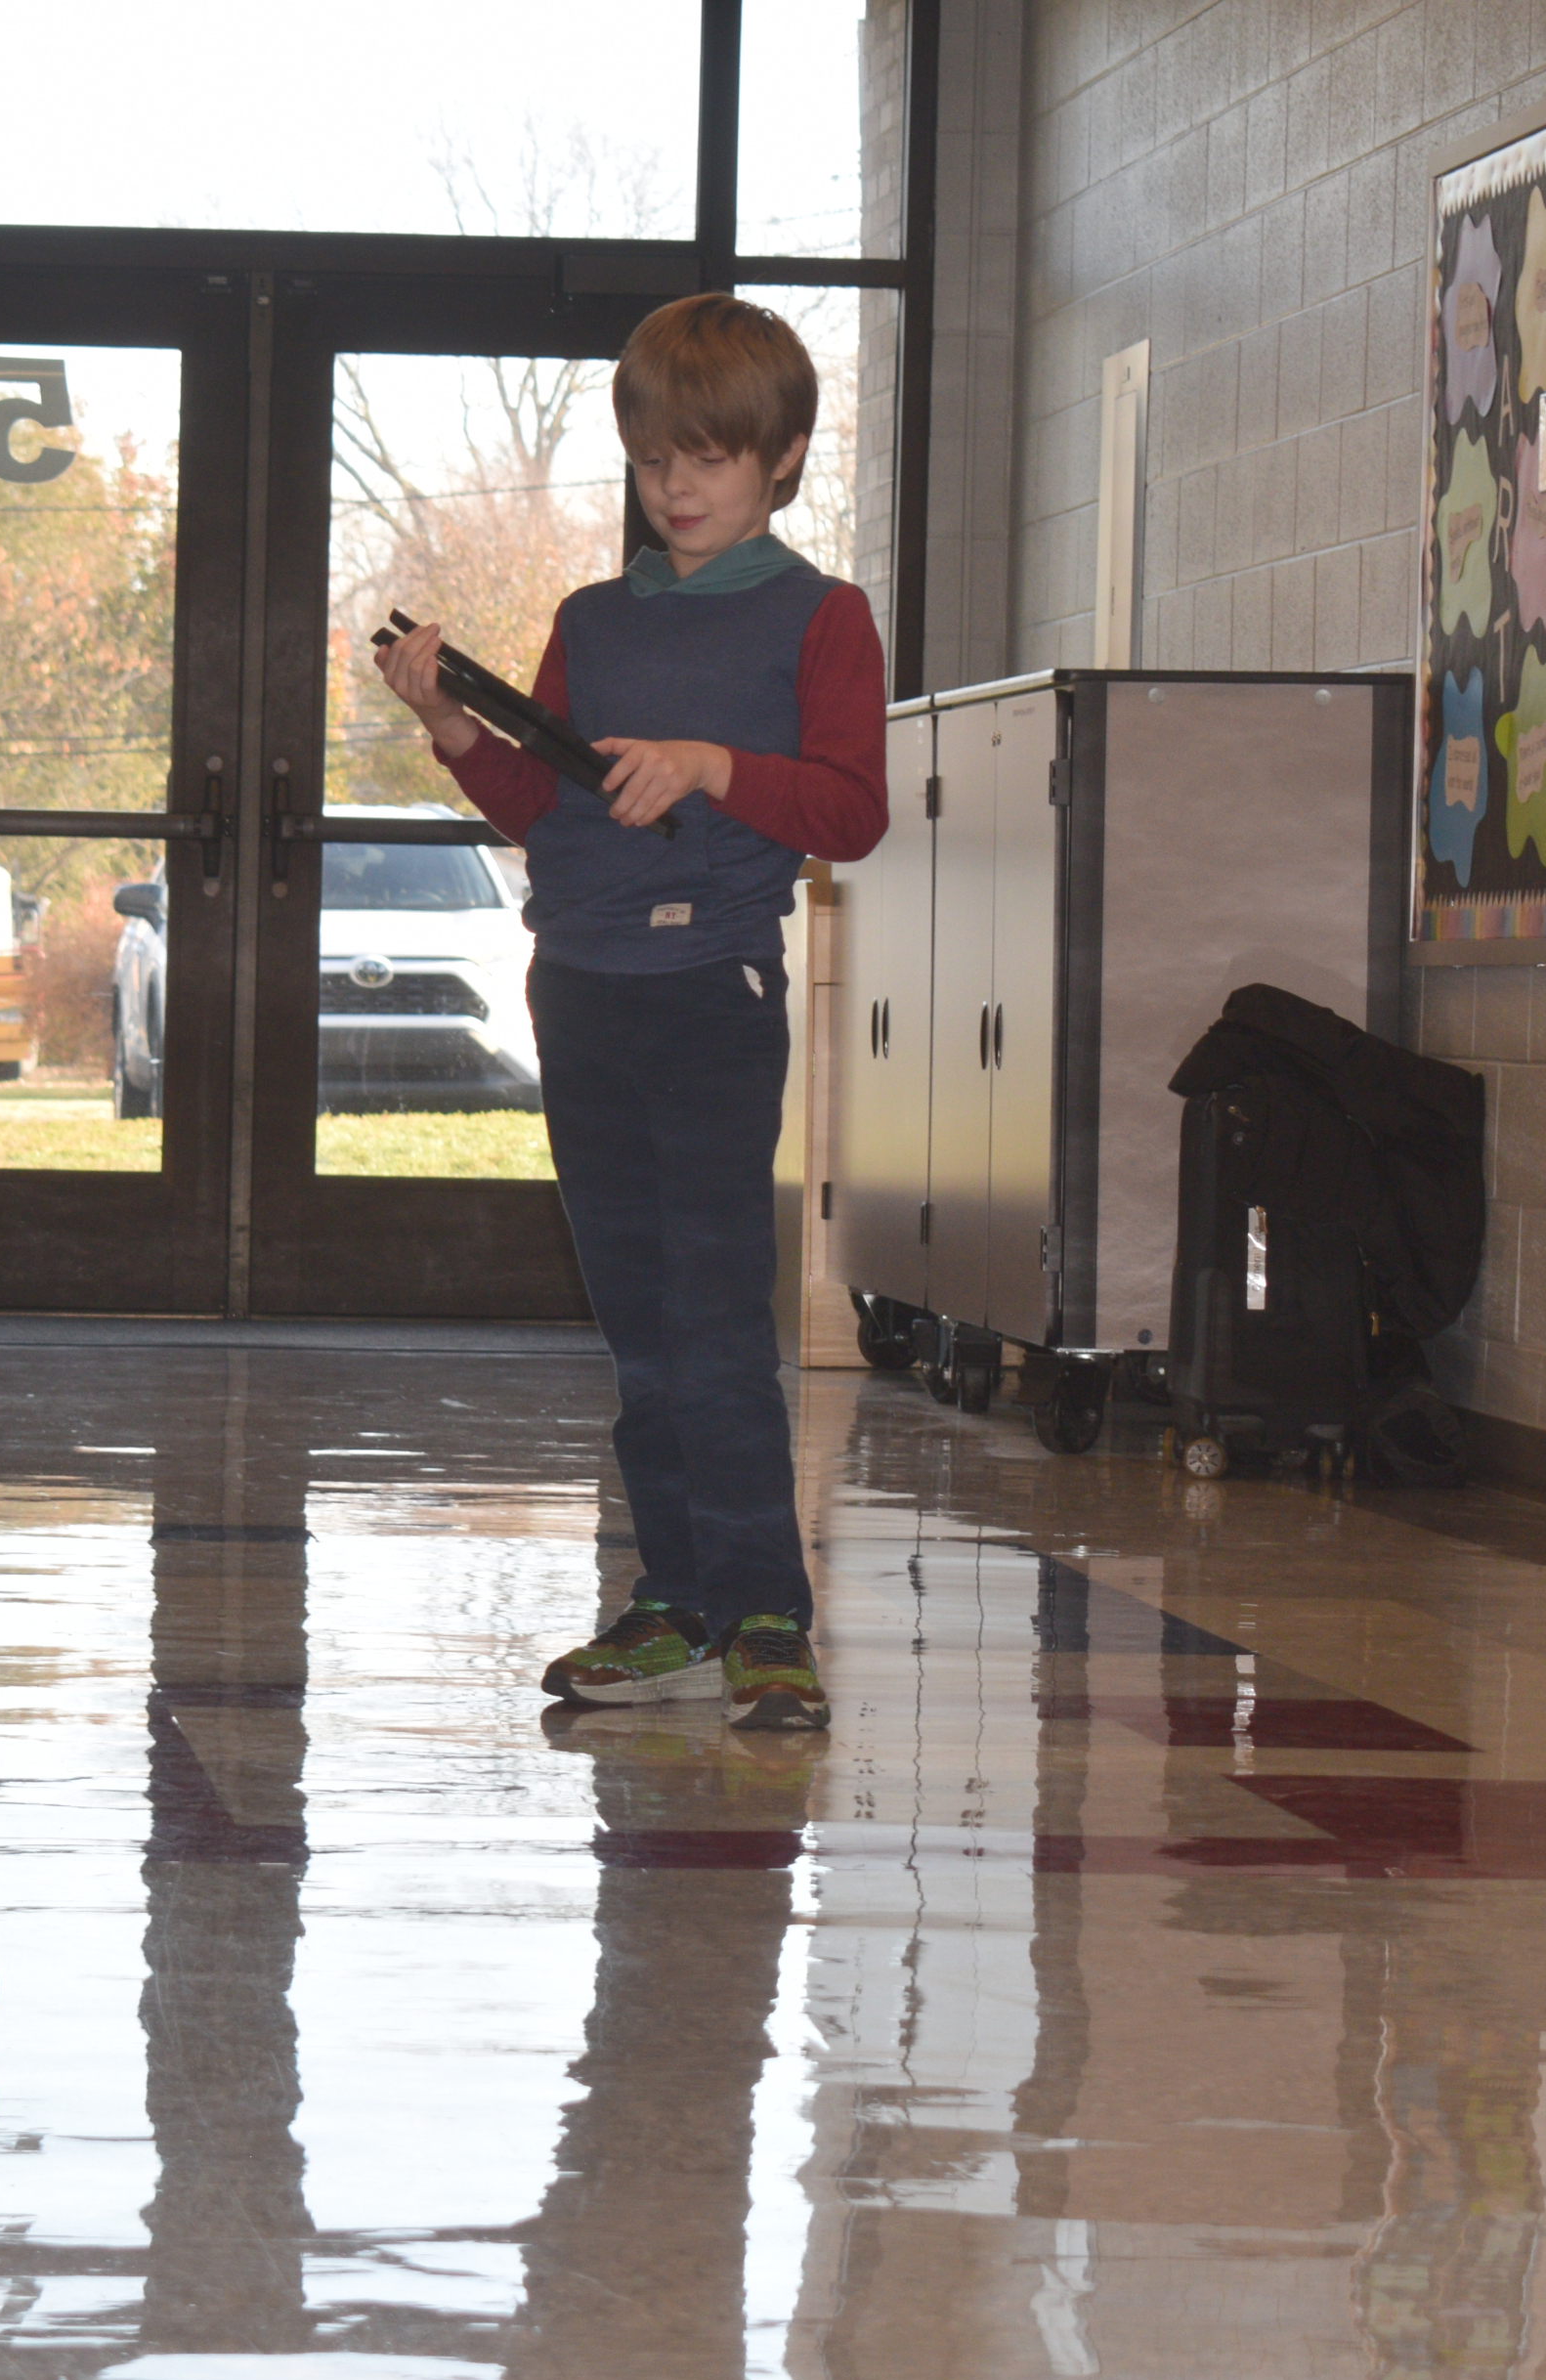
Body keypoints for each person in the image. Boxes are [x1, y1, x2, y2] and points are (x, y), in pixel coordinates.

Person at [374, 295, 886, 1732]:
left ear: (780, 460)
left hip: (709, 992)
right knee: (642, 1324)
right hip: (582, 986)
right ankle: (674, 1600)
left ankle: (767, 1609)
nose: (678, 486)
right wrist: (455, 726)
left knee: (718, 1319)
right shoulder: (591, 622)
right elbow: (546, 803)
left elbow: (852, 812)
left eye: (712, 458)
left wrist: (716, 764)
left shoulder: (821, 617)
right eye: (658, 457)